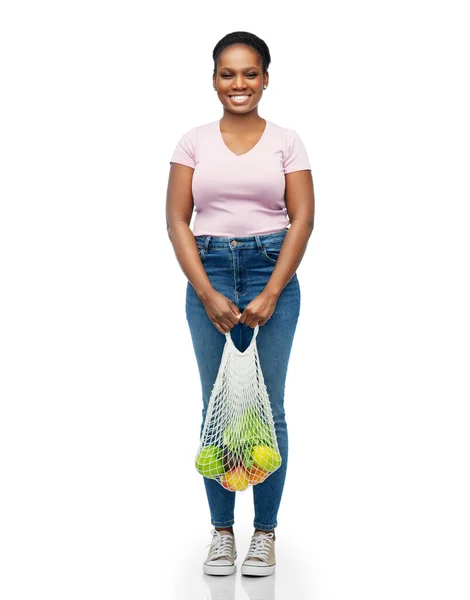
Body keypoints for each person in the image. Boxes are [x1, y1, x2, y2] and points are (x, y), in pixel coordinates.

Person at [166, 31, 315, 577]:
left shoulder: (287, 141)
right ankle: (223, 533)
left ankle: (265, 534)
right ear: (213, 79)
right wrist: (206, 292)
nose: (239, 84)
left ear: (266, 78)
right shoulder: (193, 142)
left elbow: (302, 219)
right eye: (228, 74)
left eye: (250, 73)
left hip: (270, 270)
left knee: (267, 409)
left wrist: (272, 290)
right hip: (206, 274)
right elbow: (176, 220)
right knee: (218, 407)